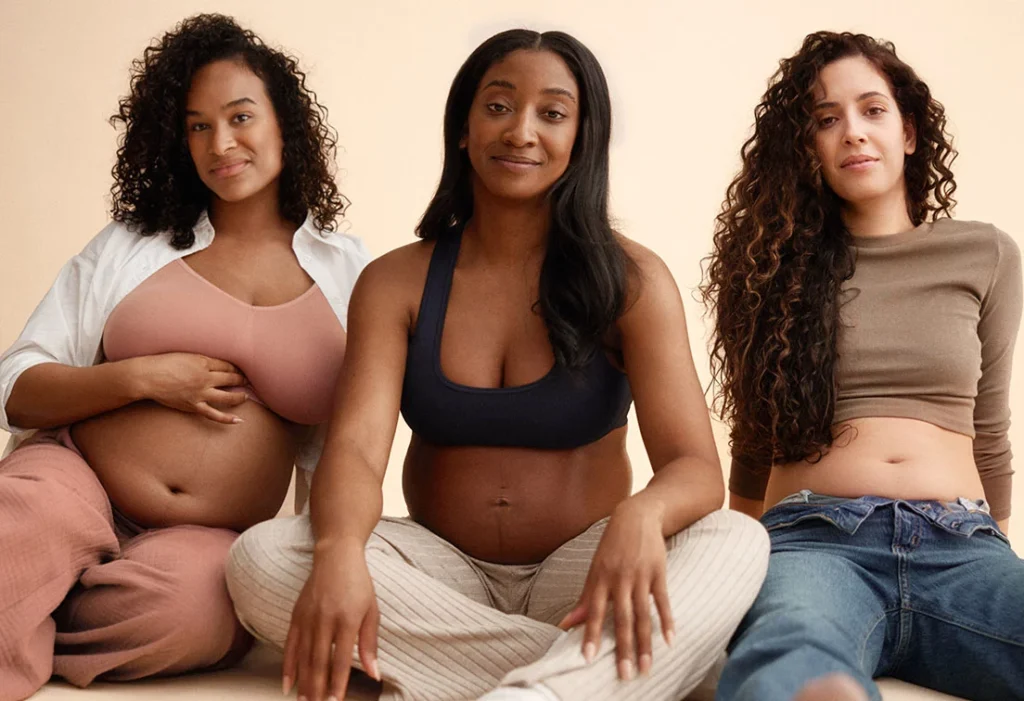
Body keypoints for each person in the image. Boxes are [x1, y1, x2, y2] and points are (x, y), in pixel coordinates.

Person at [226, 28, 769, 701]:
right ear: (462, 127)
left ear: (582, 138)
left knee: (735, 539)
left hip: (588, 568)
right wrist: (339, 552)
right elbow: (358, 453)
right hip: (440, 571)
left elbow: (695, 466)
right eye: (499, 106)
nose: (521, 132)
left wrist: (642, 515)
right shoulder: (396, 281)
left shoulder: (631, 280)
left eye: (553, 113)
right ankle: (622, 674)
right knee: (261, 559)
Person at [0, 13, 368, 700]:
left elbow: (351, 444)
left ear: (283, 121)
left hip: (211, 535)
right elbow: (18, 383)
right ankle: (32, 578)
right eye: (198, 125)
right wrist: (139, 376)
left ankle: (34, 611)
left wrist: (322, 562)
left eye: (239, 117)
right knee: (21, 527)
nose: (221, 143)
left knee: (191, 616)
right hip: (77, 477)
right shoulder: (132, 245)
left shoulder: (348, 273)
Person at [701, 31, 1024, 701]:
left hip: (962, 544)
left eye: (872, 110)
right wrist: (736, 568)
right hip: (817, 544)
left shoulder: (987, 255)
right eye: (826, 119)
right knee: (790, 651)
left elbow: (989, 426)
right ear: (806, 150)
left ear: (908, 132)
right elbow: (754, 441)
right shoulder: (770, 271)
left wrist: (996, 550)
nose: (852, 132)